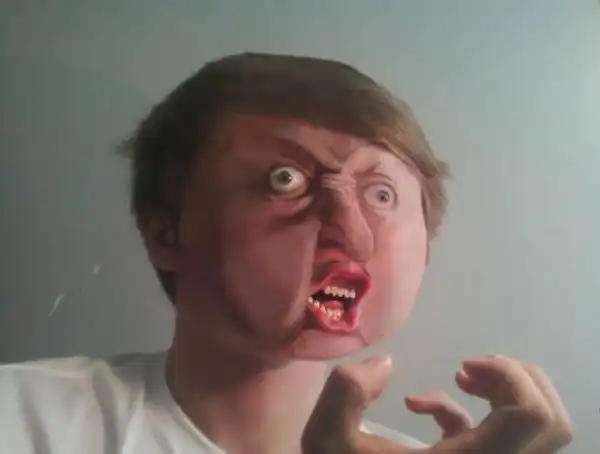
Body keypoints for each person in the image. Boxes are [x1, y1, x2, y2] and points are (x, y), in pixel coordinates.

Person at [0, 53, 572, 454]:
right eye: (284, 179)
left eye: (381, 195)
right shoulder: (21, 418)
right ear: (165, 233)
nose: (354, 236)